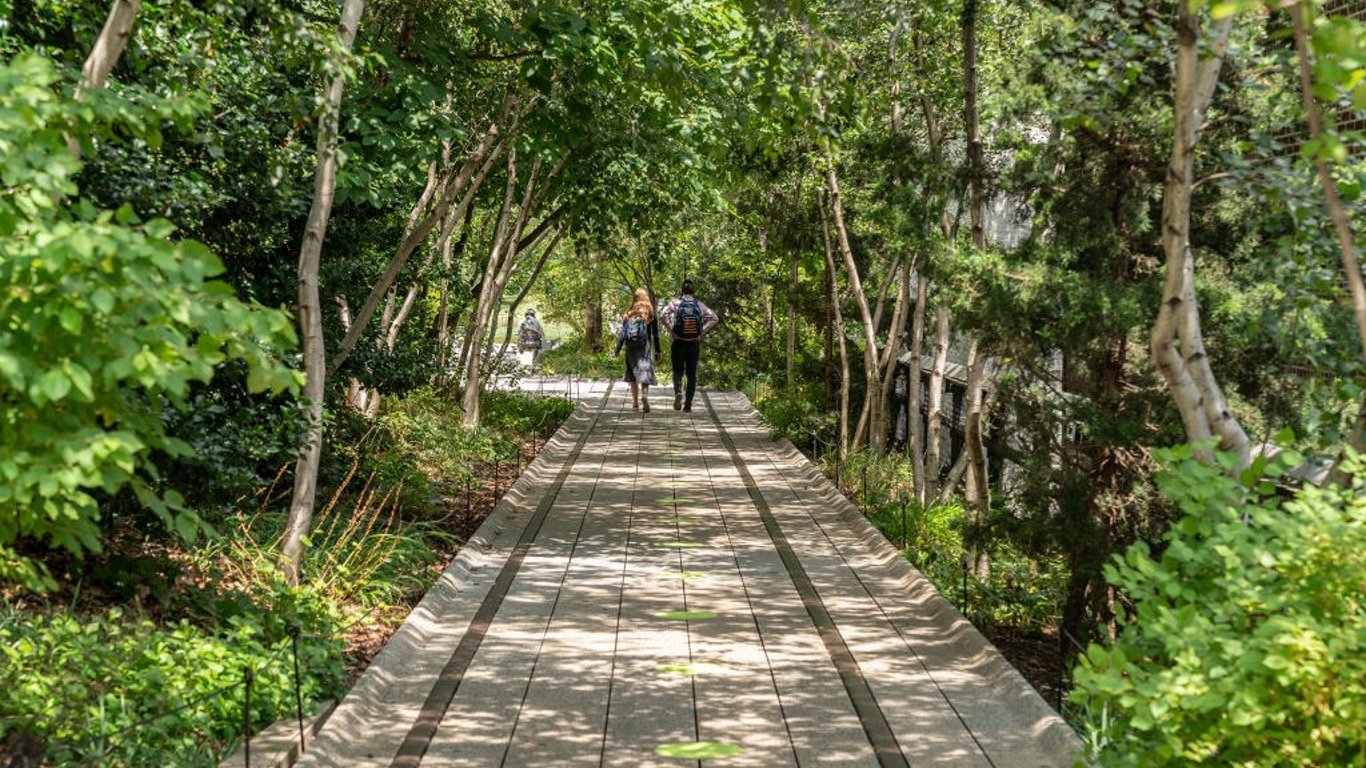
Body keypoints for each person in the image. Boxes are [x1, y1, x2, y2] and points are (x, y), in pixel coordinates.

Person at [658, 280, 718, 413]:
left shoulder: (675, 303)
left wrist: (672, 330)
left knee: (678, 371)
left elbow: (662, 315)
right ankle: (688, 404)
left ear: (682, 290)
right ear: (693, 291)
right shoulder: (699, 305)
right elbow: (714, 318)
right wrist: (701, 332)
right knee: (691, 374)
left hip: (678, 342)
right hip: (693, 343)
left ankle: (678, 391)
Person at [614, 288, 661, 412]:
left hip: (630, 346)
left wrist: (617, 349)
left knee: (632, 373)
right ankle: (644, 396)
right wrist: (657, 351)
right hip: (645, 346)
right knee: (645, 370)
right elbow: (655, 334)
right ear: (646, 297)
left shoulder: (630, 313)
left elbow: (623, 334)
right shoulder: (650, 312)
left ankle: (635, 404)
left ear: (634, 298)